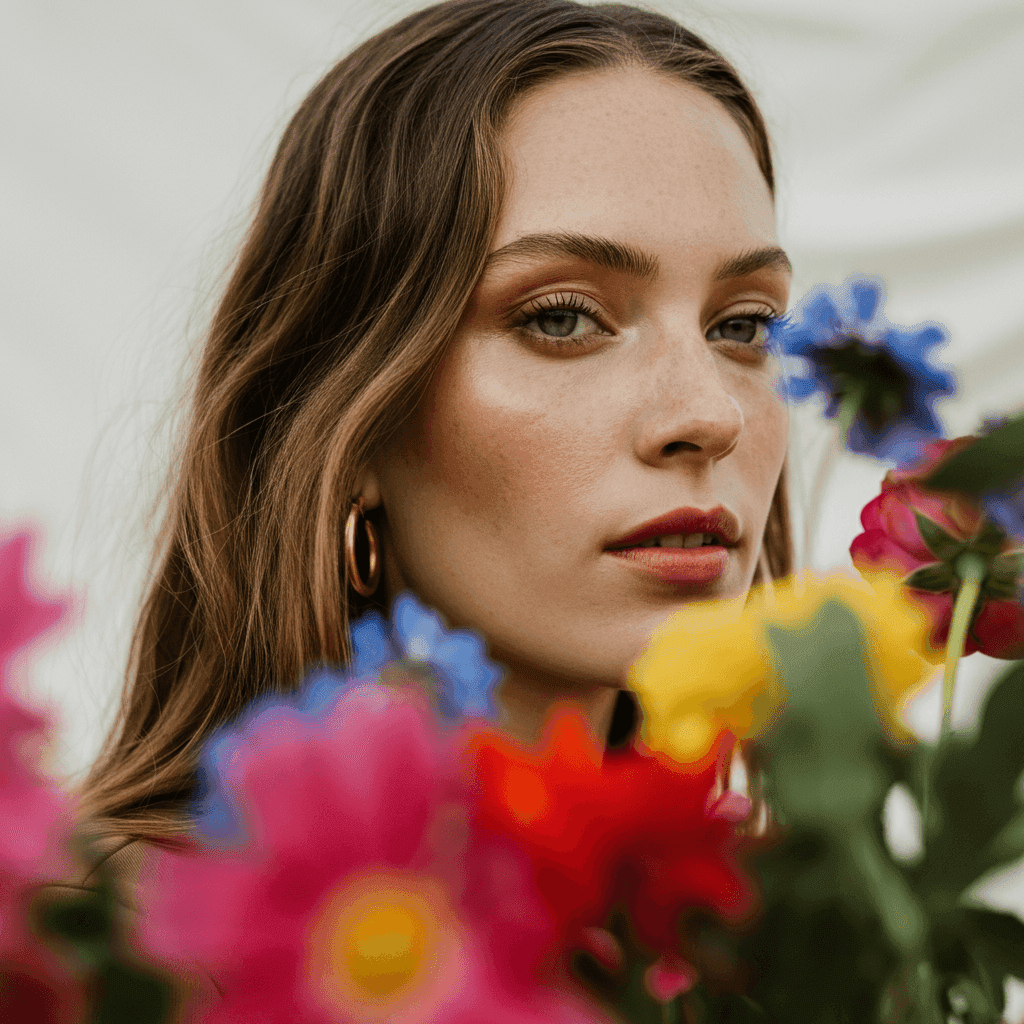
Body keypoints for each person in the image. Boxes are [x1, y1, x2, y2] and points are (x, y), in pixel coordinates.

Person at [66, 0, 792, 947]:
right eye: (564, 316)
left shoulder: (781, 946)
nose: (709, 414)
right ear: (352, 422)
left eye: (743, 325)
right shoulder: (110, 951)